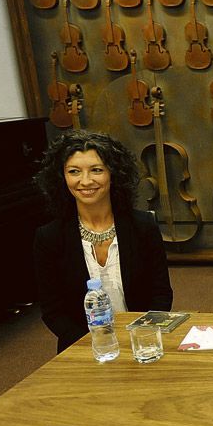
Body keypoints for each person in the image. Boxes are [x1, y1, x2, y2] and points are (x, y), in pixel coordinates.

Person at [33, 130, 173, 353]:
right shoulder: (49, 237)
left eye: (96, 170)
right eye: (74, 172)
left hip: (142, 342)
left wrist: (140, 337)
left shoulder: (143, 226)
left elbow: (161, 294)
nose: (85, 181)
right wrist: (95, 345)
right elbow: (52, 311)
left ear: (113, 174)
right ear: (62, 177)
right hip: (81, 346)